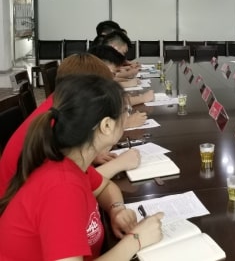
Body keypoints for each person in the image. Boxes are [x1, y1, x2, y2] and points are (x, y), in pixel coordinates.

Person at [0, 75, 164, 261]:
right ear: (107, 125)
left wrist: (116, 209)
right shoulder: (62, 187)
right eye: (125, 111)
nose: (127, 116)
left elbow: (105, 186)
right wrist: (136, 240)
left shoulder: (72, 162)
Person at [0, 54, 142, 193]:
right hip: (14, 199)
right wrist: (119, 164)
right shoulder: (59, 123)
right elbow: (67, 185)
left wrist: (92, 153)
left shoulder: (60, 107)